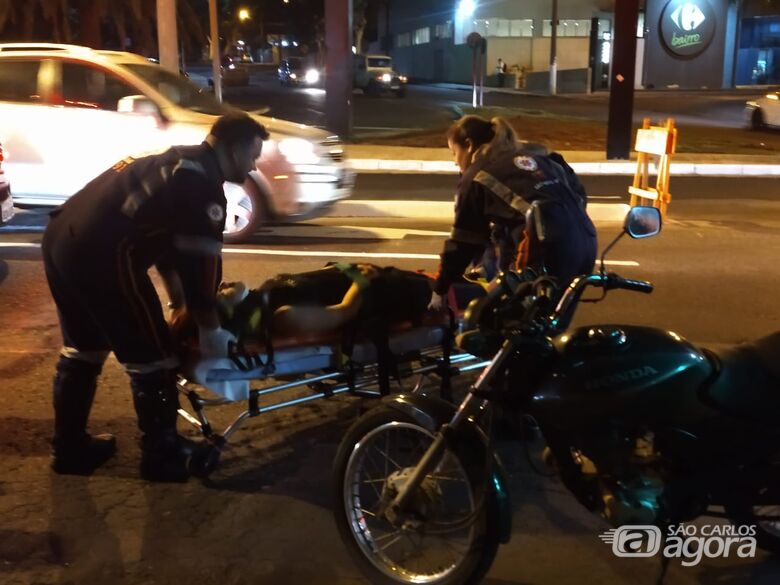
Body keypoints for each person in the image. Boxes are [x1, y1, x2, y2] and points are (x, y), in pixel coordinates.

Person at [42, 112, 269, 482]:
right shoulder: (200, 186)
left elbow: (167, 248)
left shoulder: (177, 162)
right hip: (103, 254)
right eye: (253, 155)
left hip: (61, 241)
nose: (254, 165)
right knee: (154, 357)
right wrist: (210, 329)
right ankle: (162, 456)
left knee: (84, 349)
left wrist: (177, 303)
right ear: (233, 148)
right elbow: (201, 267)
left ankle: (69, 449)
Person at [429, 115, 597, 310]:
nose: (454, 162)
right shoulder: (533, 156)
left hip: (546, 248)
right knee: (550, 323)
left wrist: (440, 289)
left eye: (453, 153)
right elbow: (575, 192)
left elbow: (463, 241)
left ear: (468, 144)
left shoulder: (477, 175)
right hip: (586, 240)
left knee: (511, 325)